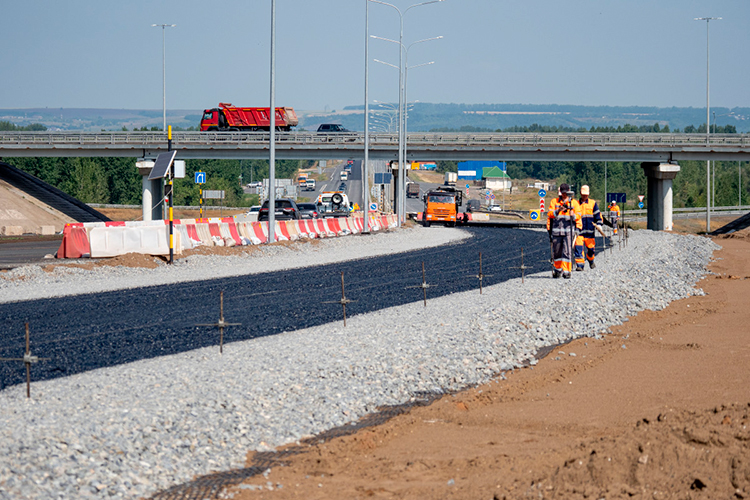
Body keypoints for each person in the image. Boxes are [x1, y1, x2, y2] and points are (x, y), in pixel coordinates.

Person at [547, 183, 581, 279]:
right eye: (563, 193)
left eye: (566, 193)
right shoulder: (555, 202)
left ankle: (567, 271)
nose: (565, 195)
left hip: (568, 231)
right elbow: (549, 214)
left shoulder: (574, 203)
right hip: (557, 231)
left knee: (567, 252)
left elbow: (579, 215)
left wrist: (573, 215)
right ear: (560, 193)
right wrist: (557, 211)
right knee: (557, 252)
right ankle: (557, 270)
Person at [574, 185, 603, 270]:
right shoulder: (576, 204)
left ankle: (591, 260)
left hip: (590, 233)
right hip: (579, 232)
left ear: (588, 194)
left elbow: (598, 215)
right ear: (580, 193)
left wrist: (599, 224)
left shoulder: (592, 203)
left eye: (586, 194)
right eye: (583, 194)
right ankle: (580, 266)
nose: (584, 196)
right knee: (578, 248)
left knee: (591, 250)